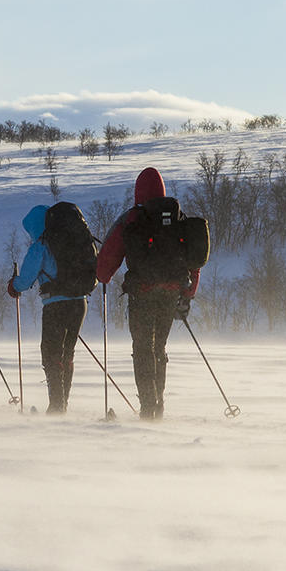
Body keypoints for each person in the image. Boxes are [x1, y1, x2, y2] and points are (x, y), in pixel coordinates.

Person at [94, 168, 201, 420]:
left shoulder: (132, 218)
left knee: (143, 348)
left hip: (142, 293)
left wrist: (103, 276)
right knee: (159, 348)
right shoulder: (177, 218)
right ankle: (158, 404)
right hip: (170, 293)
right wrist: (187, 293)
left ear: (137, 191)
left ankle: (148, 406)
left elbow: (107, 261)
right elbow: (194, 260)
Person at [7, 202, 97, 413]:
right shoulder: (75, 239)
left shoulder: (41, 244)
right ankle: (62, 403)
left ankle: (57, 406)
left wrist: (13, 285)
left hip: (56, 304)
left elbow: (25, 280)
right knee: (67, 353)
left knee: (51, 354)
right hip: (80, 302)